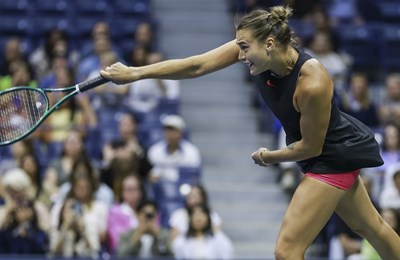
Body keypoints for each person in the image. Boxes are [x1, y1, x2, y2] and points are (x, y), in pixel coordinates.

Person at [100, 6, 400, 259]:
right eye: (239, 47)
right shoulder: (255, 50)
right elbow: (196, 66)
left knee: (286, 251)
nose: (240, 55)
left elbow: (311, 147)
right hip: (318, 152)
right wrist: (136, 73)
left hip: (331, 157)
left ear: (270, 44)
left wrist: (270, 157)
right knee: (372, 228)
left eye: (244, 48)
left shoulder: (313, 82)